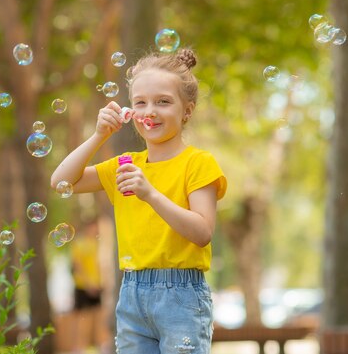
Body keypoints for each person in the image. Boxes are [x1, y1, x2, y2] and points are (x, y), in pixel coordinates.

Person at [50, 48, 227, 354]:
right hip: (131, 292)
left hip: (182, 296)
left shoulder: (198, 163)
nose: (150, 111)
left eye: (163, 101)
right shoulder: (126, 164)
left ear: (187, 110)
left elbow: (202, 232)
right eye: (140, 102)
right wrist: (98, 136)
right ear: (129, 111)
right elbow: (61, 182)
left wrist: (151, 195)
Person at [70, 218, 111, 354]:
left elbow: (103, 266)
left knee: (99, 317)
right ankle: (79, 348)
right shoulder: (80, 243)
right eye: (94, 227)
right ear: (88, 227)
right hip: (82, 286)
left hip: (98, 286)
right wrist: (88, 285)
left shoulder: (98, 244)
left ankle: (102, 346)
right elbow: (78, 267)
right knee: (82, 319)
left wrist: (102, 282)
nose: (96, 230)